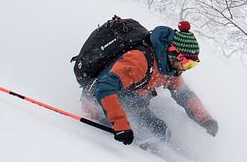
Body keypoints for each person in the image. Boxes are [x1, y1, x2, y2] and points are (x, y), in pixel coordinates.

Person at [80, 21, 218, 145]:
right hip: (98, 101)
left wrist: (206, 120)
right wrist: (120, 124)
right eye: (186, 63)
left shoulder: (170, 70)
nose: (185, 69)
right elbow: (105, 87)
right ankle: (138, 155)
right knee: (127, 131)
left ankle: (150, 149)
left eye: (191, 65)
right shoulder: (139, 60)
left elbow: (185, 95)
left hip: (131, 102)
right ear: (174, 54)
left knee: (161, 131)